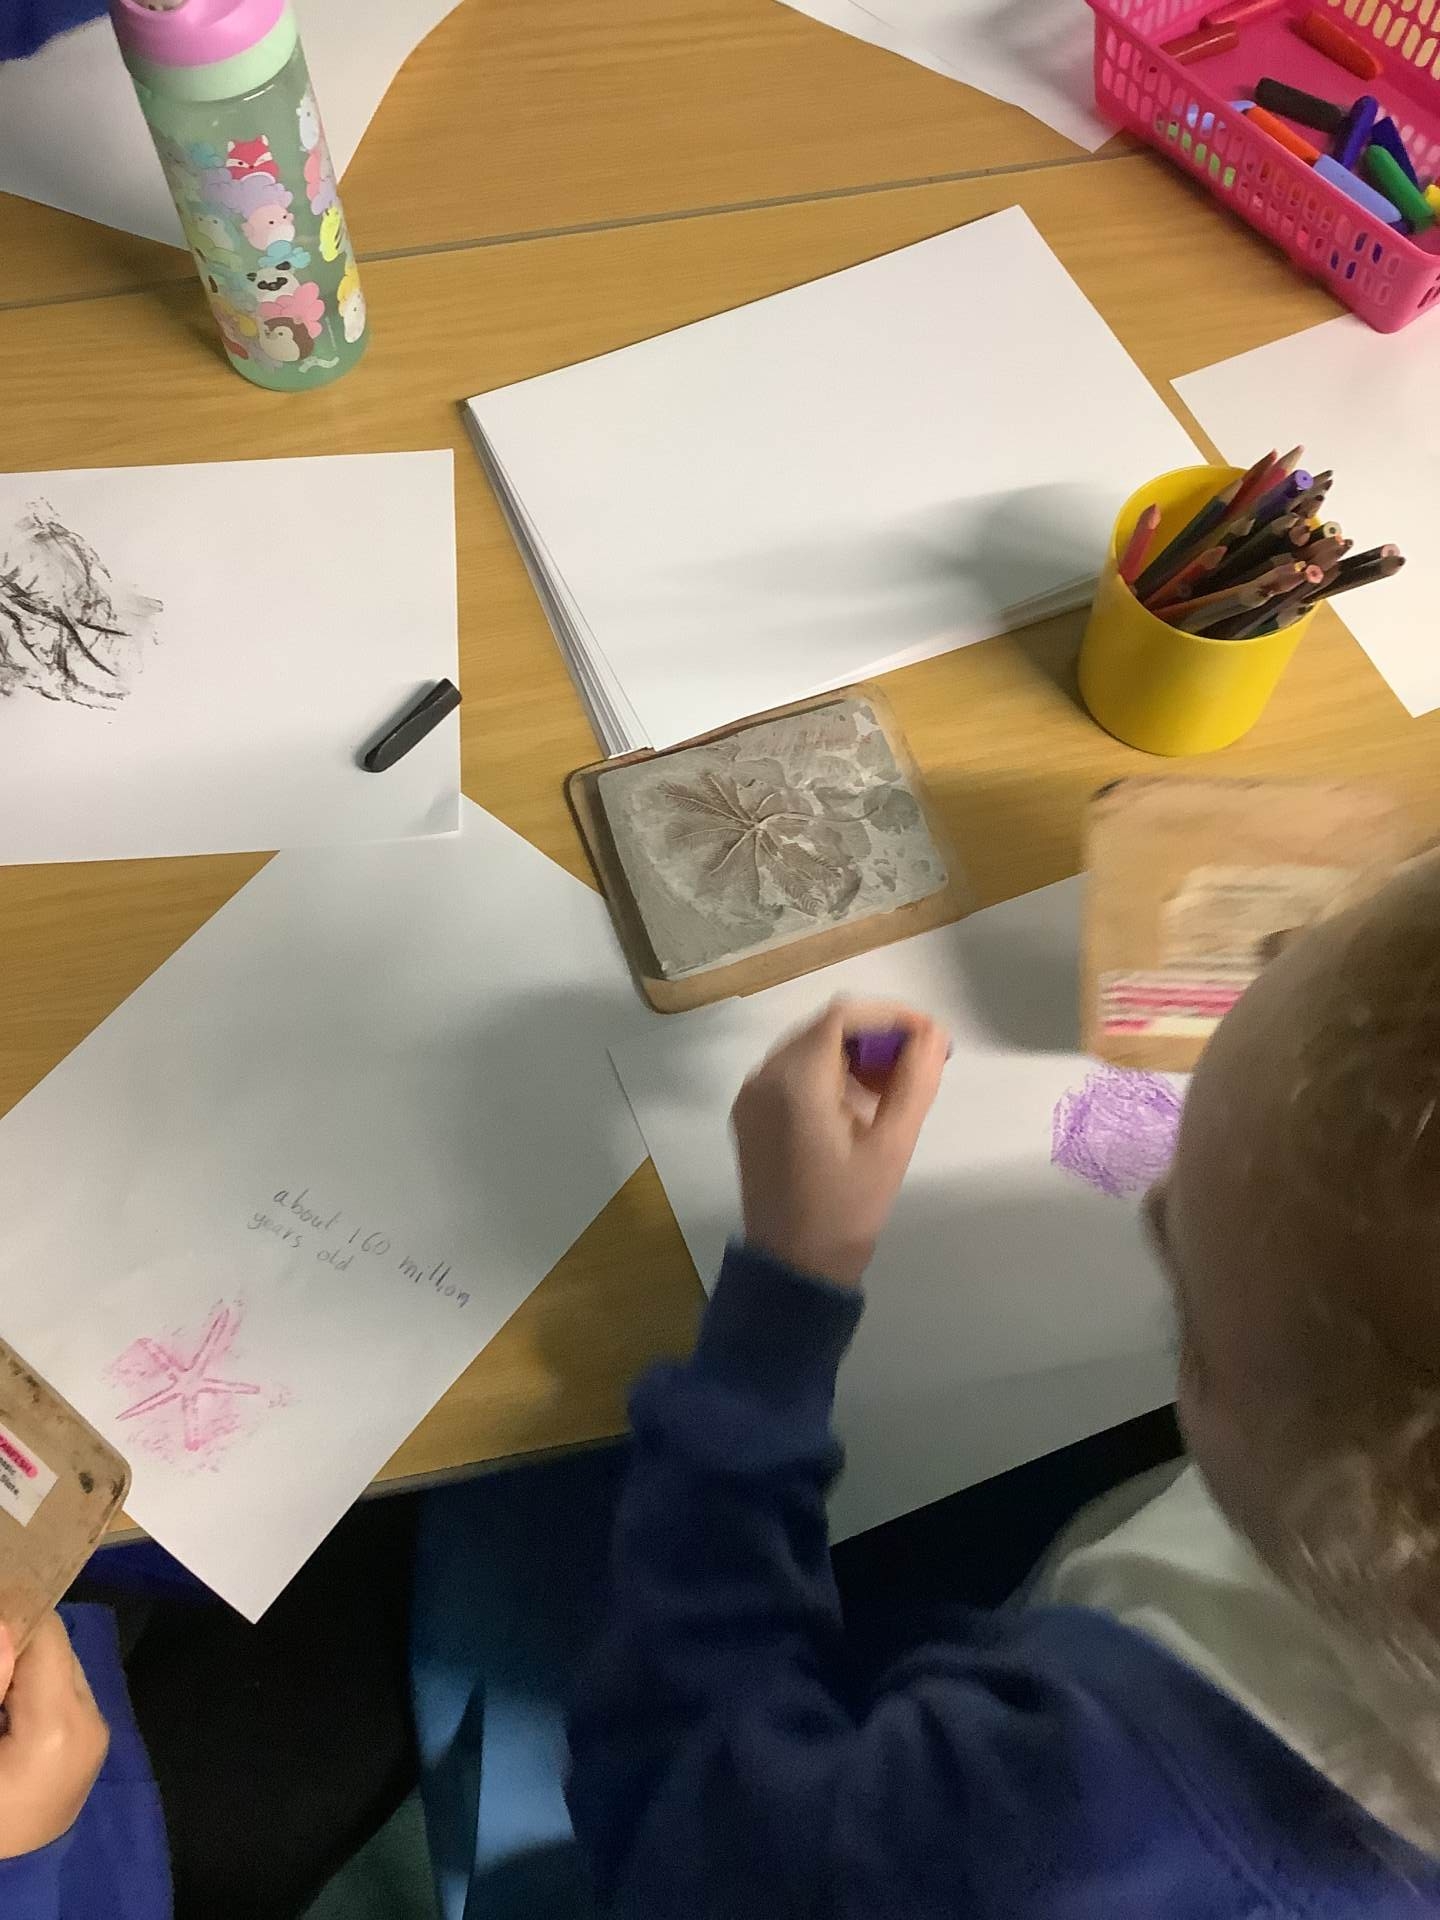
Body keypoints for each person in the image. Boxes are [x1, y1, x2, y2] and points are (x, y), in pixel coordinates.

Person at [561, 853, 1440, 1913]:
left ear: (1362, 1512)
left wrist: (782, 1310)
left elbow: (688, 1810)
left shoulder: (1037, 1839)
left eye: (1186, 1320)